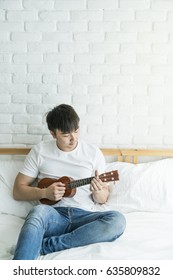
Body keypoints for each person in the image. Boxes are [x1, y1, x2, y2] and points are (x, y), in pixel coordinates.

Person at [12, 104, 126, 260]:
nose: (74, 138)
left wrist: (98, 191)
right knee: (37, 213)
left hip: (84, 217)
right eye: (66, 134)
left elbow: (102, 199)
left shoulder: (93, 153)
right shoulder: (40, 151)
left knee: (117, 220)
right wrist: (44, 193)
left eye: (76, 131)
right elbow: (18, 190)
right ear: (53, 134)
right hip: (53, 217)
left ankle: (47, 245)